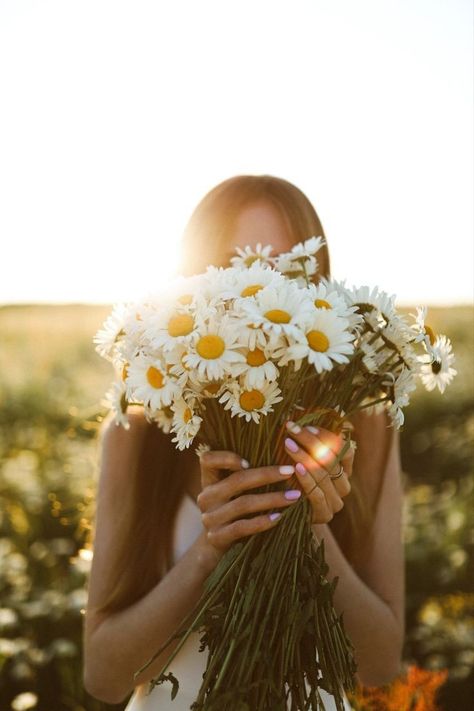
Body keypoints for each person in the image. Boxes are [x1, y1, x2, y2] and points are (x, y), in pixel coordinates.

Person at [83, 175, 405, 710]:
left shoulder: (366, 428)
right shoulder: (139, 434)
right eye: (237, 267)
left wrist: (305, 523)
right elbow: (104, 675)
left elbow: (378, 664)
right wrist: (210, 550)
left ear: (319, 288)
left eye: (285, 269)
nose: (264, 293)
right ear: (191, 282)